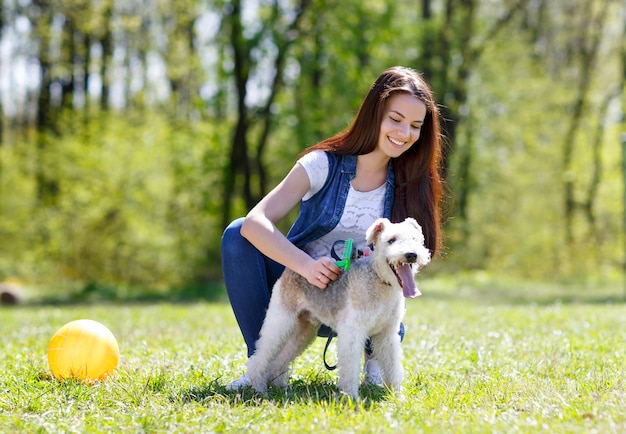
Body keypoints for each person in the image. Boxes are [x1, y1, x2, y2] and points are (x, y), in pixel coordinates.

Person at [221, 66, 444, 390]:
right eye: (395, 119)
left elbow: (412, 255)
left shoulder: (410, 183)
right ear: (373, 114)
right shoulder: (322, 164)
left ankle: (375, 362)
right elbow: (257, 221)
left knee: (387, 310)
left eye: (415, 125)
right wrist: (306, 266)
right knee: (236, 234)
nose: (404, 132)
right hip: (302, 290)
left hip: (363, 304)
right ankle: (262, 366)